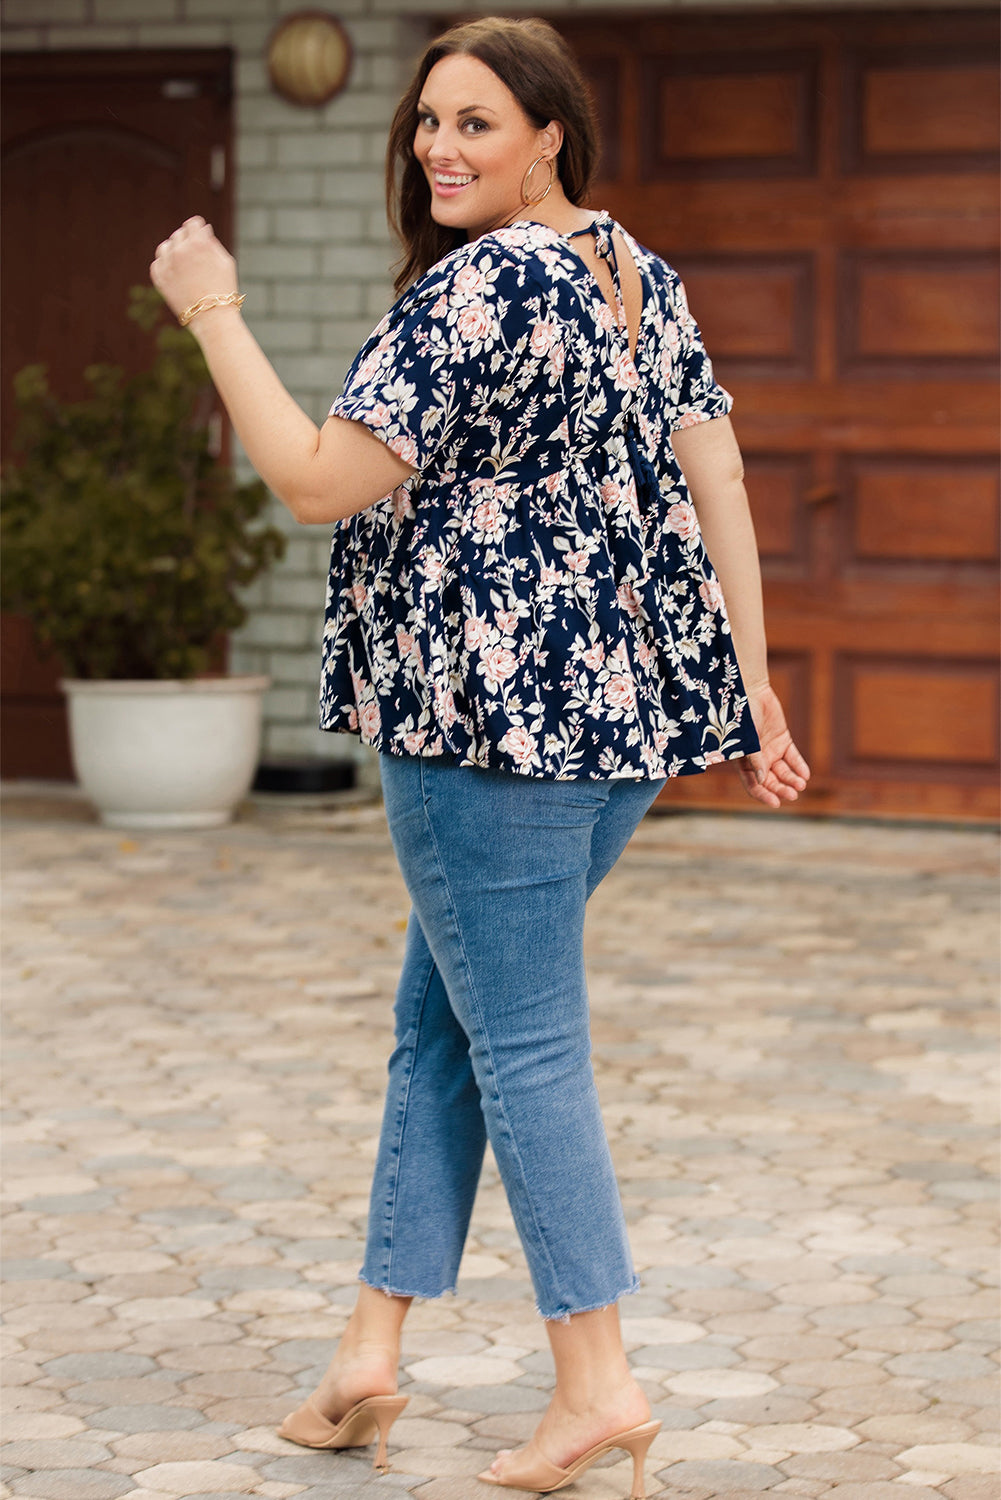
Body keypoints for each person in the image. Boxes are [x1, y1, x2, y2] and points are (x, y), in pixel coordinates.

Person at [150, 15, 810, 1497]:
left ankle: (597, 1382)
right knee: (441, 1031)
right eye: (427, 122)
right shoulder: (636, 274)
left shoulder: (479, 292)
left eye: (475, 123)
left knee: (521, 1045)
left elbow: (317, 480)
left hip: (483, 738)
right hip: (615, 732)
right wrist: (748, 682)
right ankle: (366, 1356)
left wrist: (213, 308)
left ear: (547, 135)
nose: (439, 149)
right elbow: (720, 481)